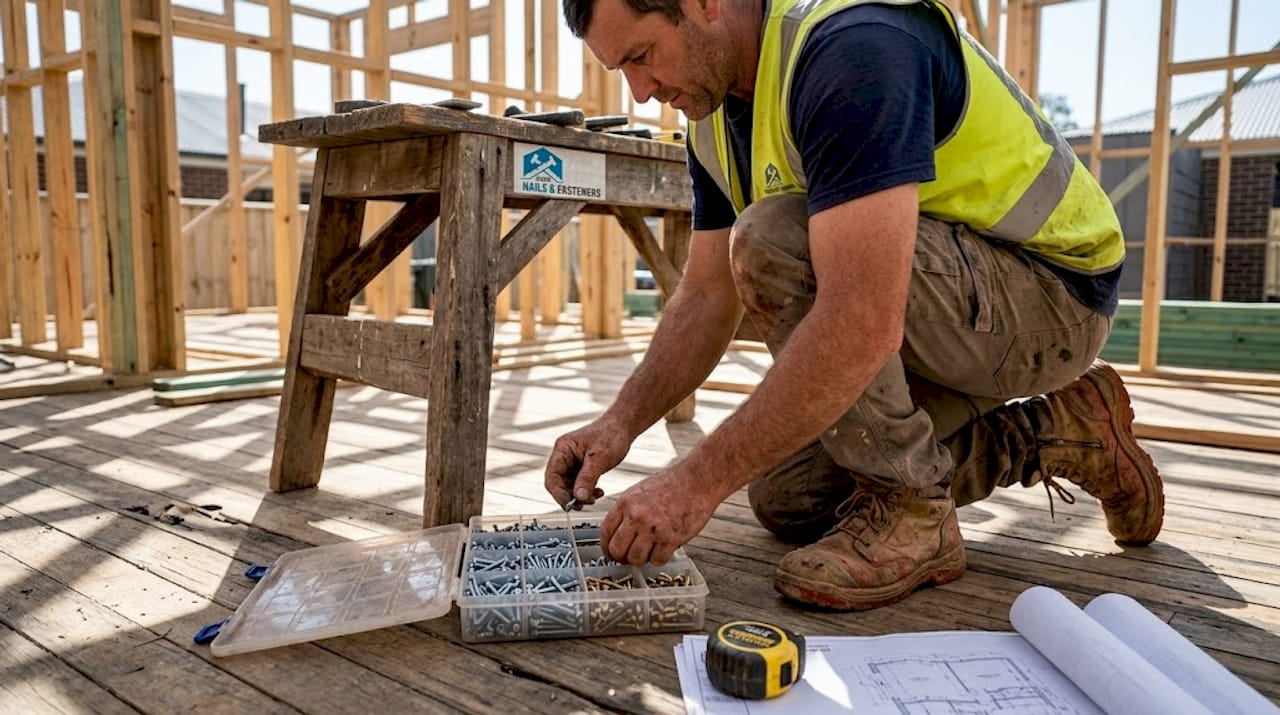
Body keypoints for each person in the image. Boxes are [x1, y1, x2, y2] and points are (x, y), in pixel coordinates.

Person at [544, 0, 1164, 611]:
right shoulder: (711, 114)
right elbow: (707, 295)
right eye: (620, 70)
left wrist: (693, 483)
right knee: (790, 498)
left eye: (642, 57)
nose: (641, 93)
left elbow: (860, 322)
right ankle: (1063, 433)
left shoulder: (854, 45)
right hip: (947, 305)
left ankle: (912, 511)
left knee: (773, 239)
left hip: (1051, 298)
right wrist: (618, 424)